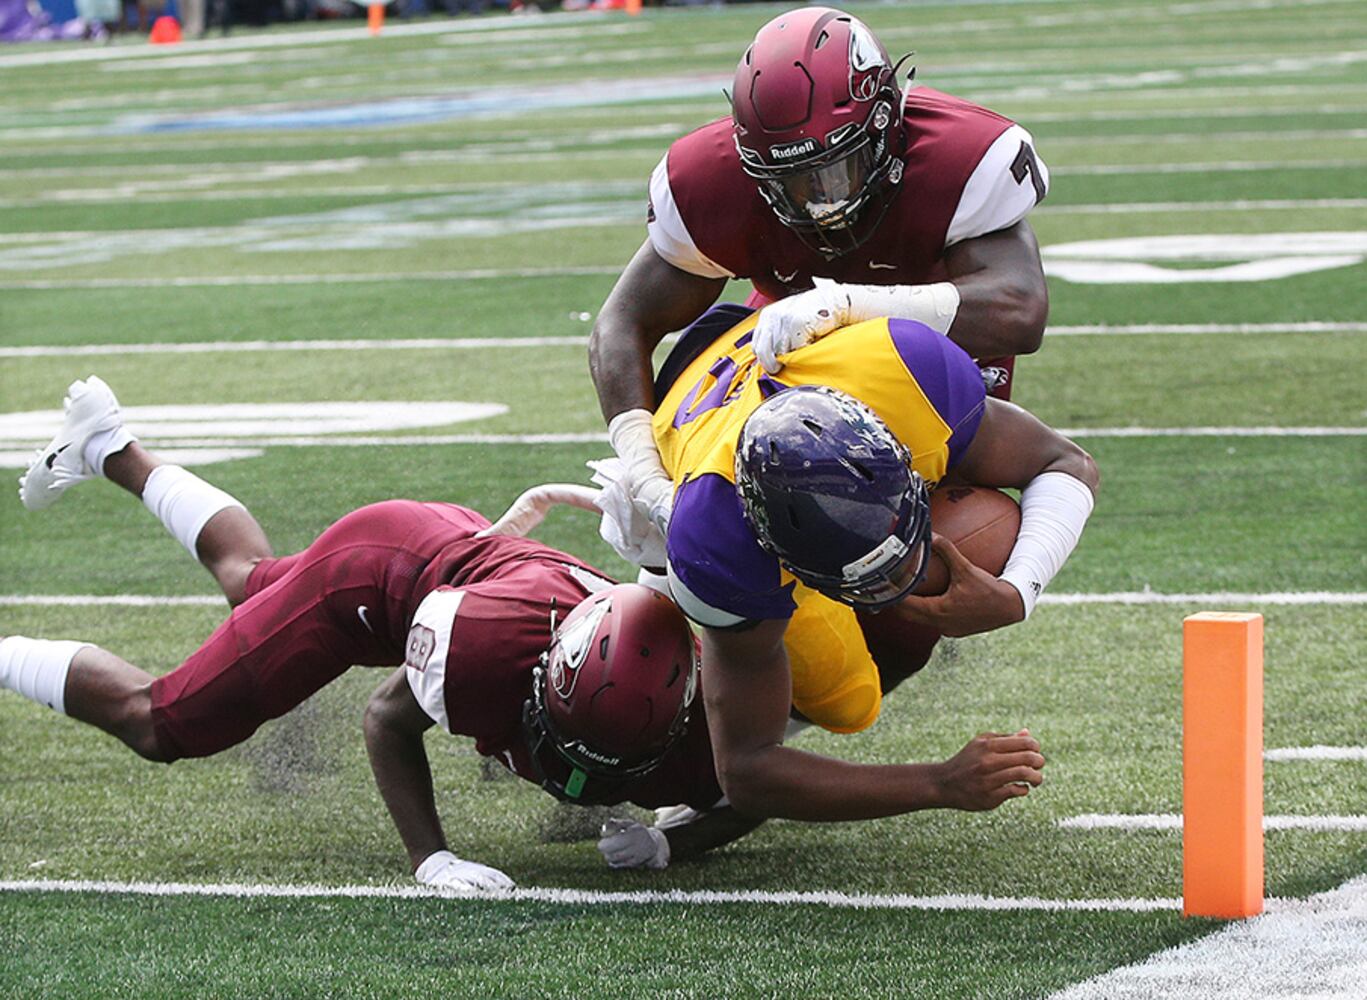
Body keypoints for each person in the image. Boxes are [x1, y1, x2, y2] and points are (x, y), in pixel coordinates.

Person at [3, 378, 1050, 877]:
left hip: (482, 569)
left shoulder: (702, 706)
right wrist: (429, 855)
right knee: (168, 719)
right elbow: (385, 717)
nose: (574, 772)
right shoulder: (482, 653)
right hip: (385, 571)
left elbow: (747, 782)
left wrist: (672, 842)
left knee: (251, 582)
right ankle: (109, 456)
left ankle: (112, 447)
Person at [616, 300, 1097, 825]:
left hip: (779, 353)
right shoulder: (718, 543)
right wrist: (939, 782)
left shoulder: (906, 373)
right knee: (847, 700)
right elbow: (746, 771)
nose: (893, 584)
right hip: (694, 434)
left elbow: (1065, 461)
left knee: (972, 557)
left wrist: (1018, 591)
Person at [589, 5, 1051, 539]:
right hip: (793, 355)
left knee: (952, 536)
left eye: (835, 171)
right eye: (789, 180)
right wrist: (644, 469)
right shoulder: (714, 179)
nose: (817, 203)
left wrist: (844, 306)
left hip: (933, 361)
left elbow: (1019, 311)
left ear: (885, 123)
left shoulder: (959, 159)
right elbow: (621, 323)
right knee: (745, 532)